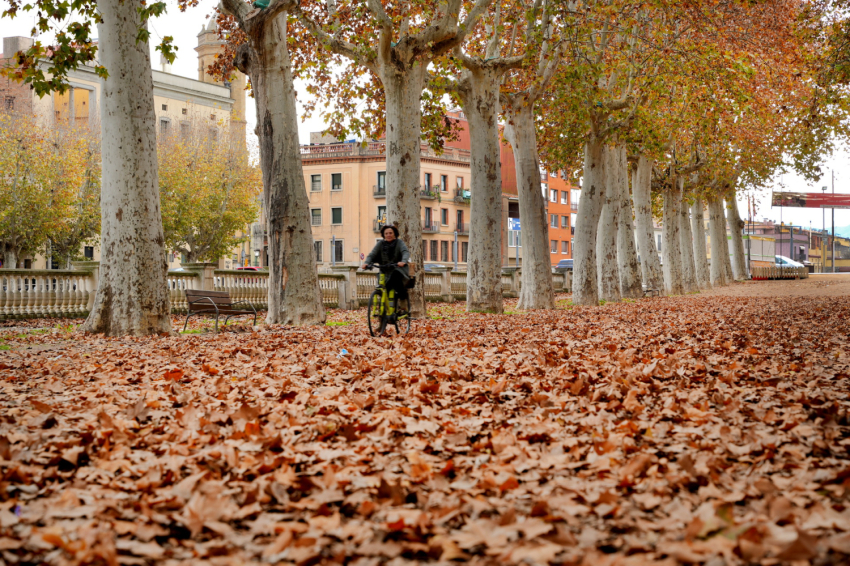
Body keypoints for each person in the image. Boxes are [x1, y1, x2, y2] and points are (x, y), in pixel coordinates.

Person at [362, 224, 411, 313]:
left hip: (398, 269)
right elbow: (372, 254)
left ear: (394, 234)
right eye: (386, 233)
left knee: (396, 280)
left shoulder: (399, 243)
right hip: (384, 270)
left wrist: (403, 261)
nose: (388, 235)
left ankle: (403, 304)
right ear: (383, 235)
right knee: (382, 285)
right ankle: (383, 315)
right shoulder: (380, 244)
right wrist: (366, 263)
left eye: (390, 233)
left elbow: (405, 252)